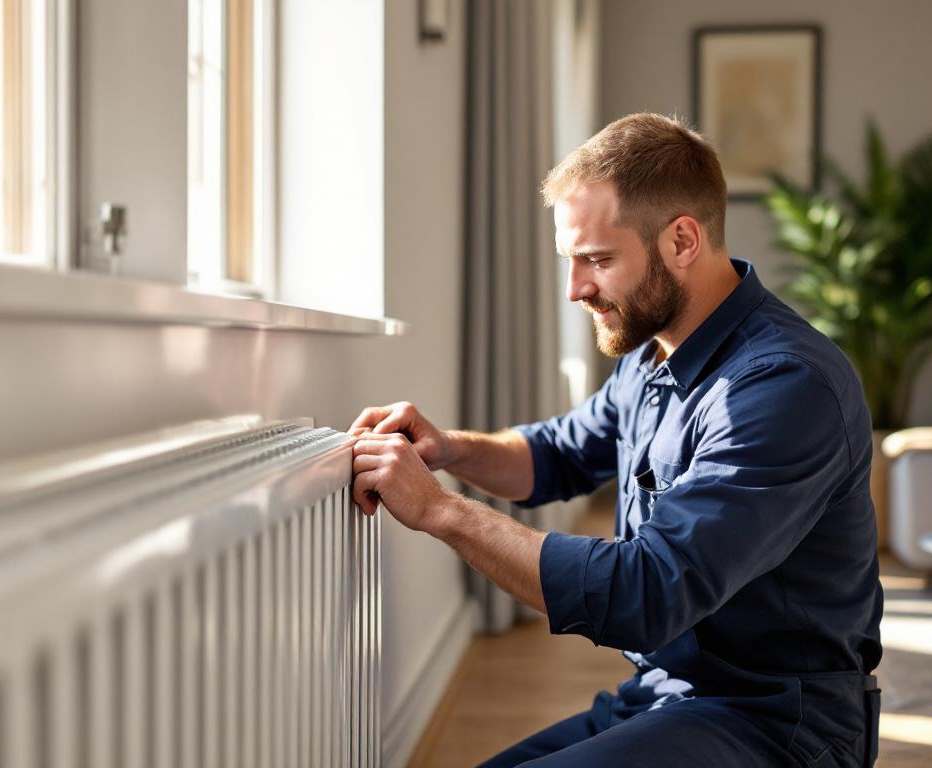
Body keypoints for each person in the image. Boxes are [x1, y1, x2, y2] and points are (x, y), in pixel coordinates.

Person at [349, 113, 883, 767]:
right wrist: (449, 449)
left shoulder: (784, 386)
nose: (575, 289)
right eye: (570, 261)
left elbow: (648, 593)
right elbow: (556, 454)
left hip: (778, 722)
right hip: (663, 695)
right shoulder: (653, 351)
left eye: (598, 260)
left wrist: (438, 510)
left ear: (682, 240)